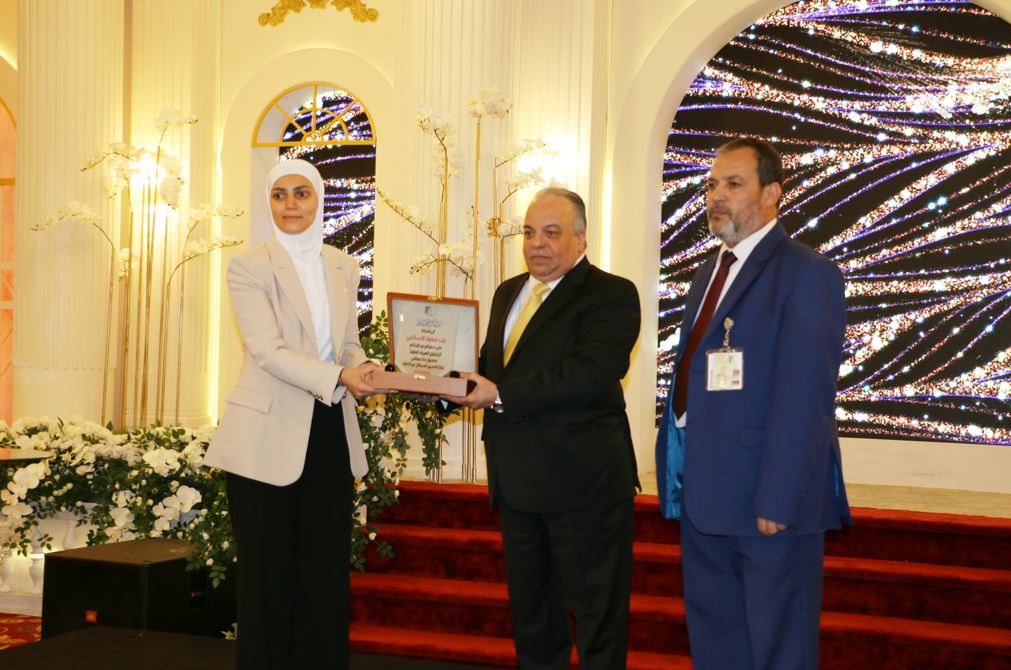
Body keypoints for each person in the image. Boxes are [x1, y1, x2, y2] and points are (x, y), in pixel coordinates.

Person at [655, 138, 851, 670]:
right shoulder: (708, 272)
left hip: (767, 505)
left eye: (733, 184)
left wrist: (780, 500)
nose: (716, 195)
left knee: (777, 653)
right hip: (705, 498)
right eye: (712, 185)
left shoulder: (806, 272)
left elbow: (805, 398)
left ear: (771, 194)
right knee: (718, 649)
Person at [447, 187, 641, 670]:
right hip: (517, 484)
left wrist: (499, 394)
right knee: (533, 620)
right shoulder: (507, 292)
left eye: (552, 233)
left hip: (584, 486)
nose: (537, 244)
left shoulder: (612, 294)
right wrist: (436, 383)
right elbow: (491, 369)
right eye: (530, 232)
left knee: (597, 620)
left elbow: (589, 373)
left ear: (581, 238)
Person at [204, 159, 383, 669]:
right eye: (279, 194)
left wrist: (364, 368)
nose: (290, 205)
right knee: (266, 577)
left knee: (324, 573)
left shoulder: (343, 265)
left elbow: (346, 344)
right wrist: (341, 375)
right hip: (265, 436)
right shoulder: (248, 266)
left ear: (319, 198)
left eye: (301, 193)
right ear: (269, 202)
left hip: (329, 428)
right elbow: (267, 351)